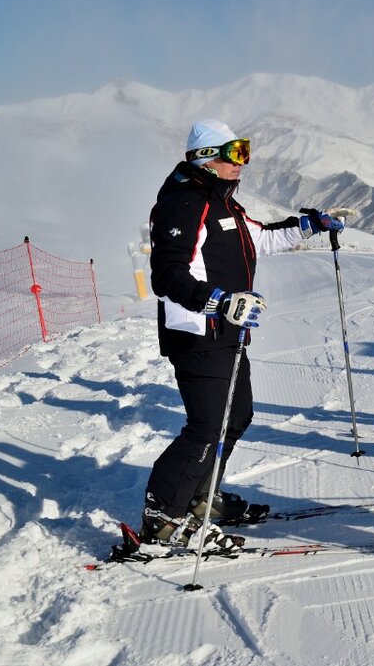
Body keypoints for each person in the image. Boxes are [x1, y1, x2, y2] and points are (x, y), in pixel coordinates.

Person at [140, 119, 344, 551]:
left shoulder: (222, 203)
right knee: (207, 425)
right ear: (206, 159)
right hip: (198, 331)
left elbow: (261, 239)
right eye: (234, 153)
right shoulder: (182, 204)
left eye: (243, 152)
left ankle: (200, 499)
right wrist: (219, 301)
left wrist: (313, 225)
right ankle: (163, 516)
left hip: (228, 330)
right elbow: (167, 276)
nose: (242, 162)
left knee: (236, 417)